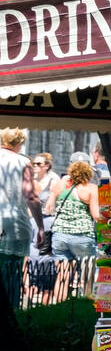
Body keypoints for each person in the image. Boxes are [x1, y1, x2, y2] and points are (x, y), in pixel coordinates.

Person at [0, 128, 38, 308]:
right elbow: (30, 196)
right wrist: (41, 226)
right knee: (11, 276)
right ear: (20, 143)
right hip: (14, 224)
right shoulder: (23, 162)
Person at [49, 160, 101, 262]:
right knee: (86, 274)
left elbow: (49, 208)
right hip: (82, 235)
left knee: (63, 274)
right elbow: (96, 215)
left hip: (59, 234)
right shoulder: (91, 189)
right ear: (89, 174)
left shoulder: (60, 185)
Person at [29, 153, 57, 258]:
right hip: (32, 219)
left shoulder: (53, 180)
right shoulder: (31, 180)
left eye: (38, 163)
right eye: (33, 163)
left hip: (47, 219)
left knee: (44, 251)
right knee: (31, 249)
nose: (35, 165)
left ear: (46, 166)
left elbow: (52, 205)